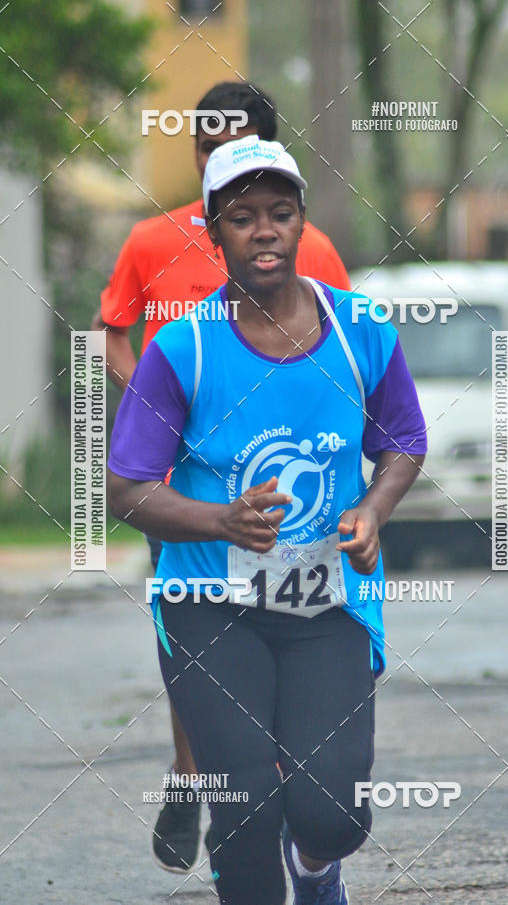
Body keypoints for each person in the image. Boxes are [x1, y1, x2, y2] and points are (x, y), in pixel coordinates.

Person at [107, 135, 427, 904]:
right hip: (209, 608)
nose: (264, 231)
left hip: (328, 605)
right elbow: (126, 488)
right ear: (214, 231)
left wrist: (373, 508)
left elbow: (403, 440)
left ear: (302, 225)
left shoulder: (361, 330)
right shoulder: (181, 349)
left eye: (279, 213)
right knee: (246, 810)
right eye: (243, 217)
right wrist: (221, 521)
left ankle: (316, 869)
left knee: (332, 815)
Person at [92, 81, 351, 873]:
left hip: (290, 494)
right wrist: (157, 411)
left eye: (236, 145)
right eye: (205, 149)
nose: (218, 161)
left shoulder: (310, 247)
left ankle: (270, 791)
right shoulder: (148, 241)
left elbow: (349, 353)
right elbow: (113, 330)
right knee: (199, 638)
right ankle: (193, 773)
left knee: (295, 647)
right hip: (184, 494)